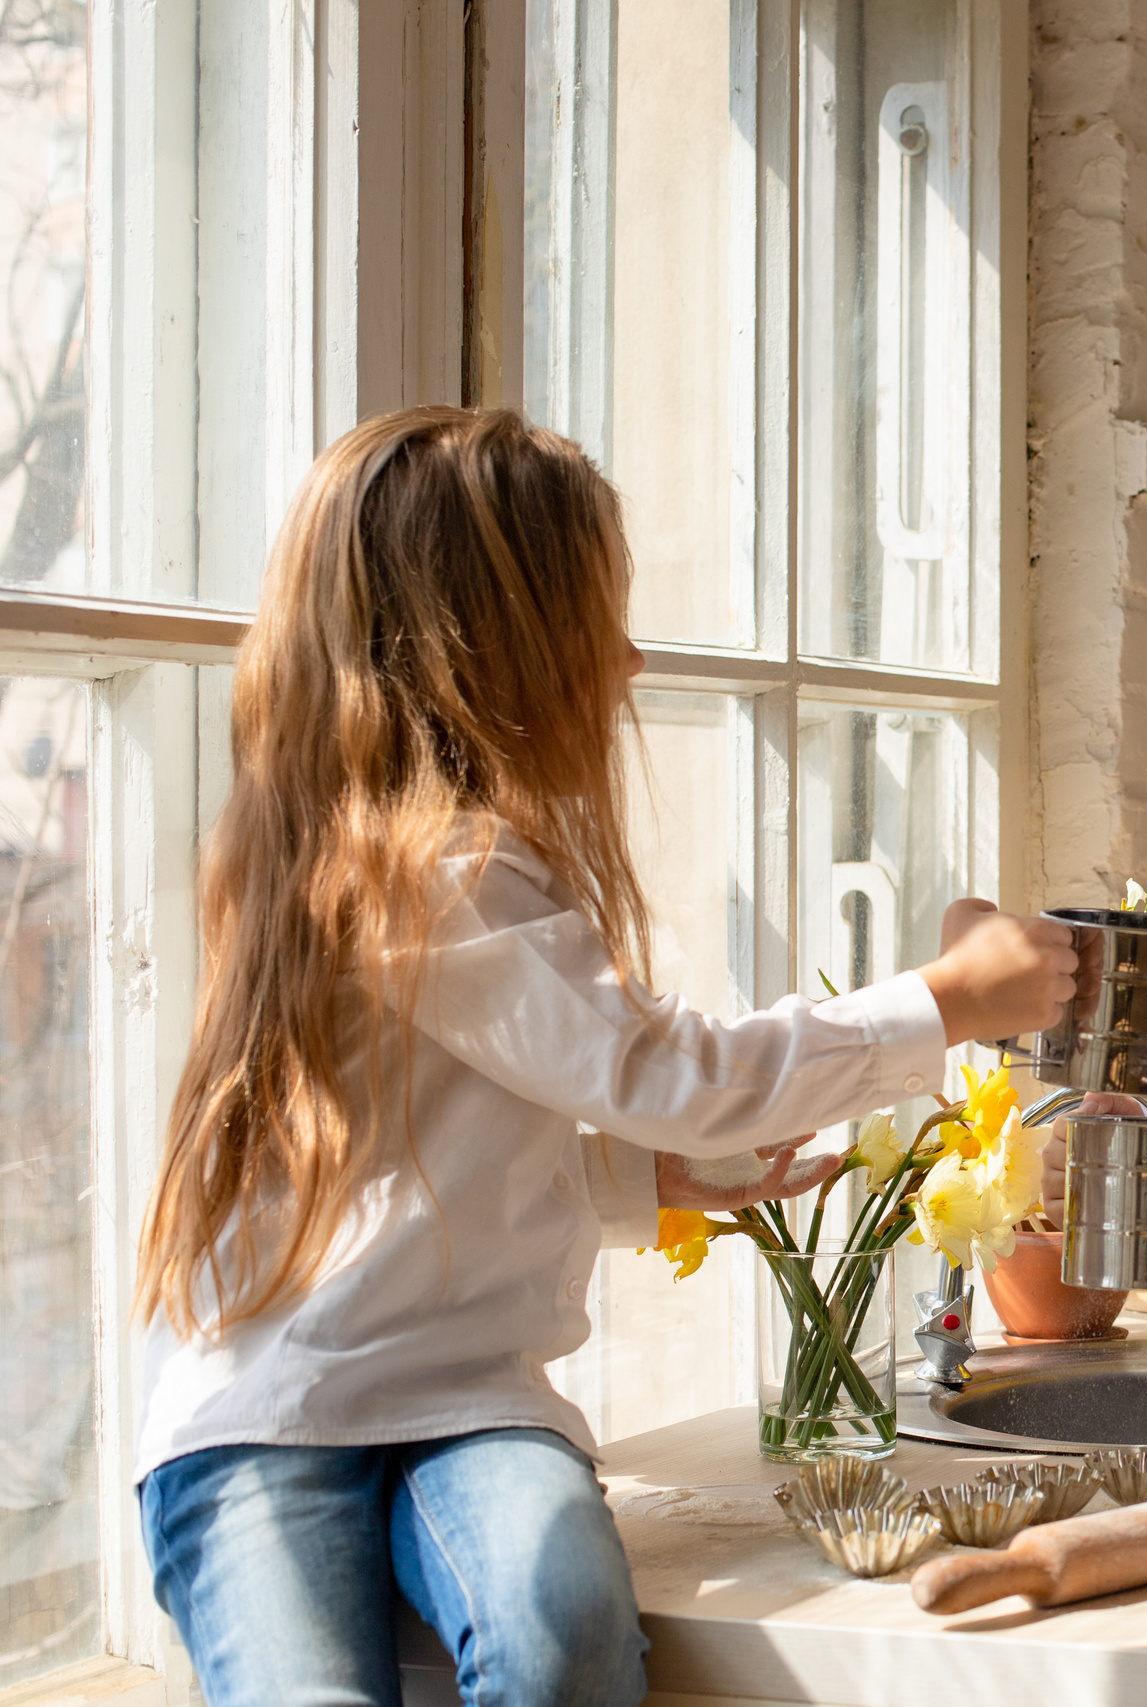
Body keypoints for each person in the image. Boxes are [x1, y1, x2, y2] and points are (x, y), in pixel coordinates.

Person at [131, 407, 1076, 1707]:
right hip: (270, 1419)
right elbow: (670, 1070)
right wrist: (949, 1000)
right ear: (493, 653)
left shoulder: (429, 862)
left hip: (467, 1399)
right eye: (599, 622)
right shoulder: (430, 874)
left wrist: (643, 1187)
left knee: (560, 1622)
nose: (630, 658)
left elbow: (412, 1169)